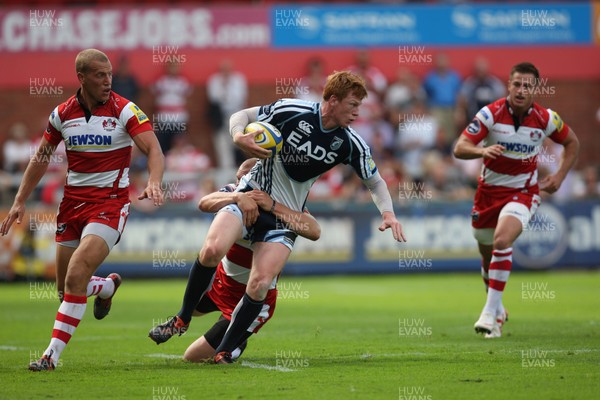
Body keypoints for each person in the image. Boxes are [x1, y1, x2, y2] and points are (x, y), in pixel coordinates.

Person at [151, 70, 406, 364]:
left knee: (260, 282)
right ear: (333, 100)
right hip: (251, 195)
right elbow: (242, 115)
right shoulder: (291, 110)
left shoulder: (351, 143)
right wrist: (239, 138)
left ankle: (226, 349)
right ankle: (182, 318)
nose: (357, 112)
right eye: (353, 105)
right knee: (211, 249)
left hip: (283, 217)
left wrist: (388, 213)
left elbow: (375, 182)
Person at [0, 49, 165, 370]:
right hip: (71, 207)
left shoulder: (125, 110)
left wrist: (155, 181)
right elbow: (41, 156)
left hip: (109, 206)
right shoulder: (62, 114)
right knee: (65, 290)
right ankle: (105, 286)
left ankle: (50, 357)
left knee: (76, 275)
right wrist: (20, 199)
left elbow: (154, 148)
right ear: (82, 77)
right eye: (100, 75)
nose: (107, 81)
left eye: (110, 75)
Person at [148, 159, 321, 362]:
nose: (240, 182)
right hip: (222, 284)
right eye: (239, 178)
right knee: (196, 293)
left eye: (244, 178)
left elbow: (314, 230)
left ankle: (235, 343)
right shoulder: (235, 192)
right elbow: (204, 202)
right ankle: (181, 319)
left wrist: (272, 206)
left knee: (192, 357)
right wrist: (237, 196)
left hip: (251, 298)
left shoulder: (288, 204)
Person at [453, 62, 579, 338]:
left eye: (528, 85)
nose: (522, 90)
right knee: (487, 257)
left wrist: (559, 176)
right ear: (508, 86)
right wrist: (481, 152)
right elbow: (459, 148)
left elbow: (572, 143)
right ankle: (497, 310)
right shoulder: (490, 114)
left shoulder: (546, 119)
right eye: (517, 84)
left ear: (535, 89)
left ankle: (488, 313)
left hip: (523, 192)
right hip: (487, 194)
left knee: (501, 241)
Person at [206, 59, 248, 169]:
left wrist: (227, 89)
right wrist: (223, 87)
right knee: (222, 144)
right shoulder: (214, 80)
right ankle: (226, 169)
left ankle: (241, 167)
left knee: (239, 142)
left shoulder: (238, 79)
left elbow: (239, 98)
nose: (226, 72)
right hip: (220, 117)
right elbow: (214, 98)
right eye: (223, 70)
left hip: (236, 115)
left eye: (228, 69)